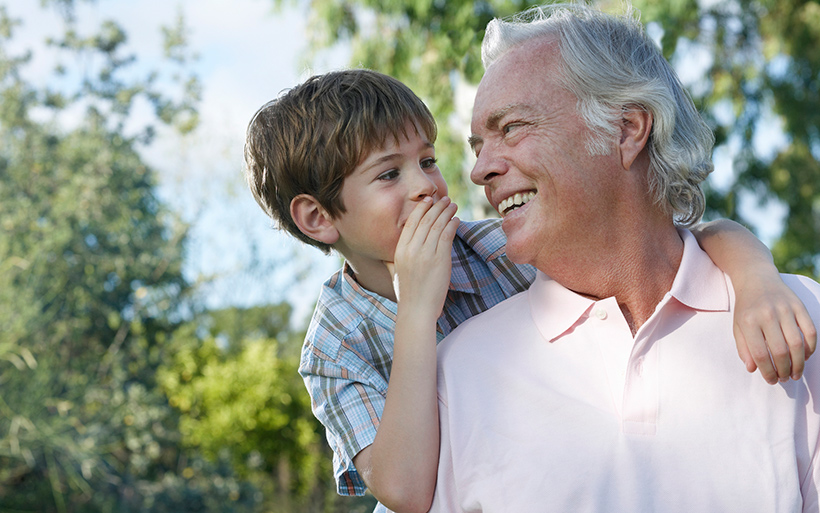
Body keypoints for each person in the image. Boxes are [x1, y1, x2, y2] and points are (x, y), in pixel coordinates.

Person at [243, 70, 814, 512]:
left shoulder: (498, 247)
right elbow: (403, 490)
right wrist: (417, 309)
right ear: (318, 218)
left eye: (427, 161)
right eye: (389, 175)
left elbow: (688, 239)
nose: (427, 187)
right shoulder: (334, 344)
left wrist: (756, 281)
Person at [430, 3, 820, 512]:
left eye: (512, 127)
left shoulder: (799, 318)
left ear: (627, 129)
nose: (480, 169)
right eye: (478, 144)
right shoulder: (456, 373)